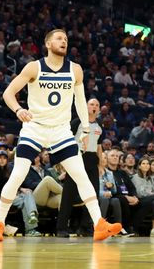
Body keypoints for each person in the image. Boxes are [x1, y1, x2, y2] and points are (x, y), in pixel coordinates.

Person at [0, 29, 121, 242]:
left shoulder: (75, 70)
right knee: (18, 174)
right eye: (59, 38)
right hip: (35, 127)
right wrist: (18, 110)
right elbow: (8, 93)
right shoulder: (34, 67)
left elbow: (80, 100)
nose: (64, 41)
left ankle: (99, 224)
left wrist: (85, 128)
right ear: (48, 44)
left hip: (61, 130)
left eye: (66, 39)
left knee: (81, 175)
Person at [56, 97, 102, 237]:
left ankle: (85, 227)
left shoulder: (99, 125)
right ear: (86, 107)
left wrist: (100, 164)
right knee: (68, 194)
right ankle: (61, 228)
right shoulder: (77, 122)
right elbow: (65, 140)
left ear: (99, 109)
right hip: (77, 158)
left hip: (92, 160)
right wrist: (65, 162)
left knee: (93, 195)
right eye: (91, 104)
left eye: (96, 105)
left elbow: (99, 146)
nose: (94, 106)